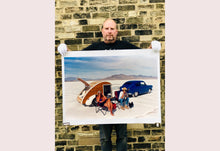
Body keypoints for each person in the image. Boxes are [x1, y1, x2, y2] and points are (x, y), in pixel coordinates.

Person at [57, 18, 161, 151]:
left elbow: (143, 55)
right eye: (107, 29)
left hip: (117, 103)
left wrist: (152, 49)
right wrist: (65, 51)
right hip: (104, 103)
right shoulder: (95, 48)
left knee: (122, 136)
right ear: (102, 31)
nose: (109, 32)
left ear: (116, 31)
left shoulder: (125, 46)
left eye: (112, 29)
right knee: (105, 137)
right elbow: (73, 56)